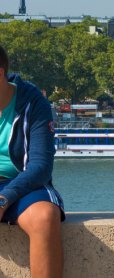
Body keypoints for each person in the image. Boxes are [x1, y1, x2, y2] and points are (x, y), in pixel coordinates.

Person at [0, 45, 64, 278]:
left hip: (23, 184)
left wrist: (5, 198)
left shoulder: (33, 103)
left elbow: (41, 165)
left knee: (45, 217)